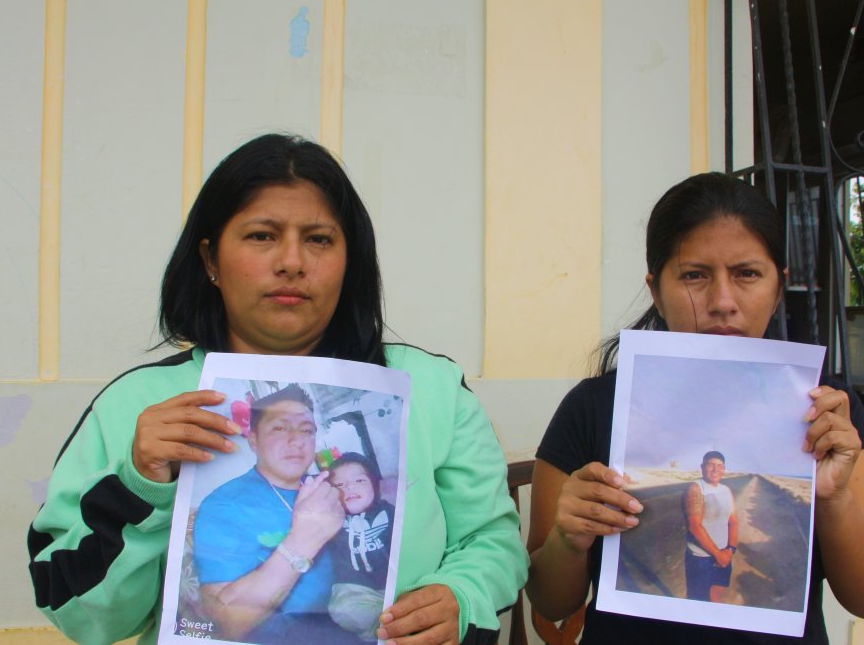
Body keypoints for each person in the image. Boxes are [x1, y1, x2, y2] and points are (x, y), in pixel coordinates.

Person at [27, 133, 528, 645]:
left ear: (349, 261)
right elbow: (85, 617)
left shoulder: (430, 389)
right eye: (262, 235)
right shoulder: (137, 406)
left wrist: (461, 596)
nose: (292, 261)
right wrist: (141, 484)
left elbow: (493, 542)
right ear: (210, 260)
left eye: (319, 239)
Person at [526, 173, 864, 643]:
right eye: (694, 275)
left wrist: (834, 498)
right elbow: (549, 600)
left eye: (747, 274)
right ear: (656, 291)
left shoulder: (827, 413)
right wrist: (568, 538)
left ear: (778, 287)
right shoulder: (593, 408)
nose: (723, 302)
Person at [191, 384, 345, 642]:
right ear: (253, 440)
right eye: (280, 428)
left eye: (306, 430)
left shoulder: (326, 490)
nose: (296, 440)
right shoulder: (225, 504)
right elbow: (228, 622)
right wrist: (304, 538)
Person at [325, 452, 396, 641]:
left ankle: (391, 624)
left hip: (396, 585)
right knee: (343, 610)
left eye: (359, 480)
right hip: (357, 589)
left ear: (374, 484)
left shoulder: (390, 513)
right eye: (339, 485)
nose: (349, 487)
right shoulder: (333, 520)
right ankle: (383, 632)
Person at [683, 450, 738, 603]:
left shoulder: (726, 490)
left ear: (724, 469)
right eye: (711, 465)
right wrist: (718, 555)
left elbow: (733, 521)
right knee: (698, 601)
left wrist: (730, 550)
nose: (715, 469)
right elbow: (695, 526)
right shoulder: (696, 488)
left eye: (720, 466)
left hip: (724, 553)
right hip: (701, 558)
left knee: (717, 595)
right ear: (703, 467)